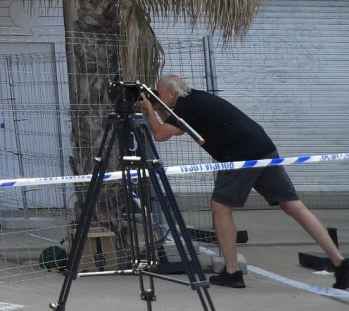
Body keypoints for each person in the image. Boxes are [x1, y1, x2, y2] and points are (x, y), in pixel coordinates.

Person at [142, 74, 348, 291]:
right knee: (292, 204)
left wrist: (148, 108)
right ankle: (340, 263)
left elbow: (160, 134)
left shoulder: (189, 105)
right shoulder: (194, 100)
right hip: (262, 146)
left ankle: (232, 271)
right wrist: (157, 105)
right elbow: (174, 125)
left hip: (240, 155)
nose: (159, 96)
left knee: (220, 207)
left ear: (172, 93)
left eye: (160, 92)